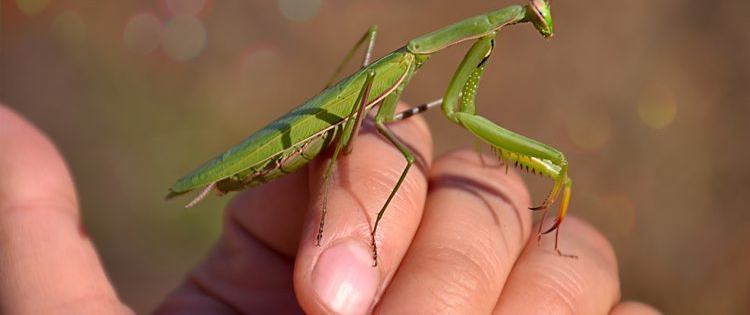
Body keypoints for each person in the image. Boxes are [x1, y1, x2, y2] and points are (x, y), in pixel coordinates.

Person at [0, 105, 658, 314]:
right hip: (324, 132)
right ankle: (348, 226)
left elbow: (454, 108)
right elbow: (455, 110)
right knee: (391, 151)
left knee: (396, 149)